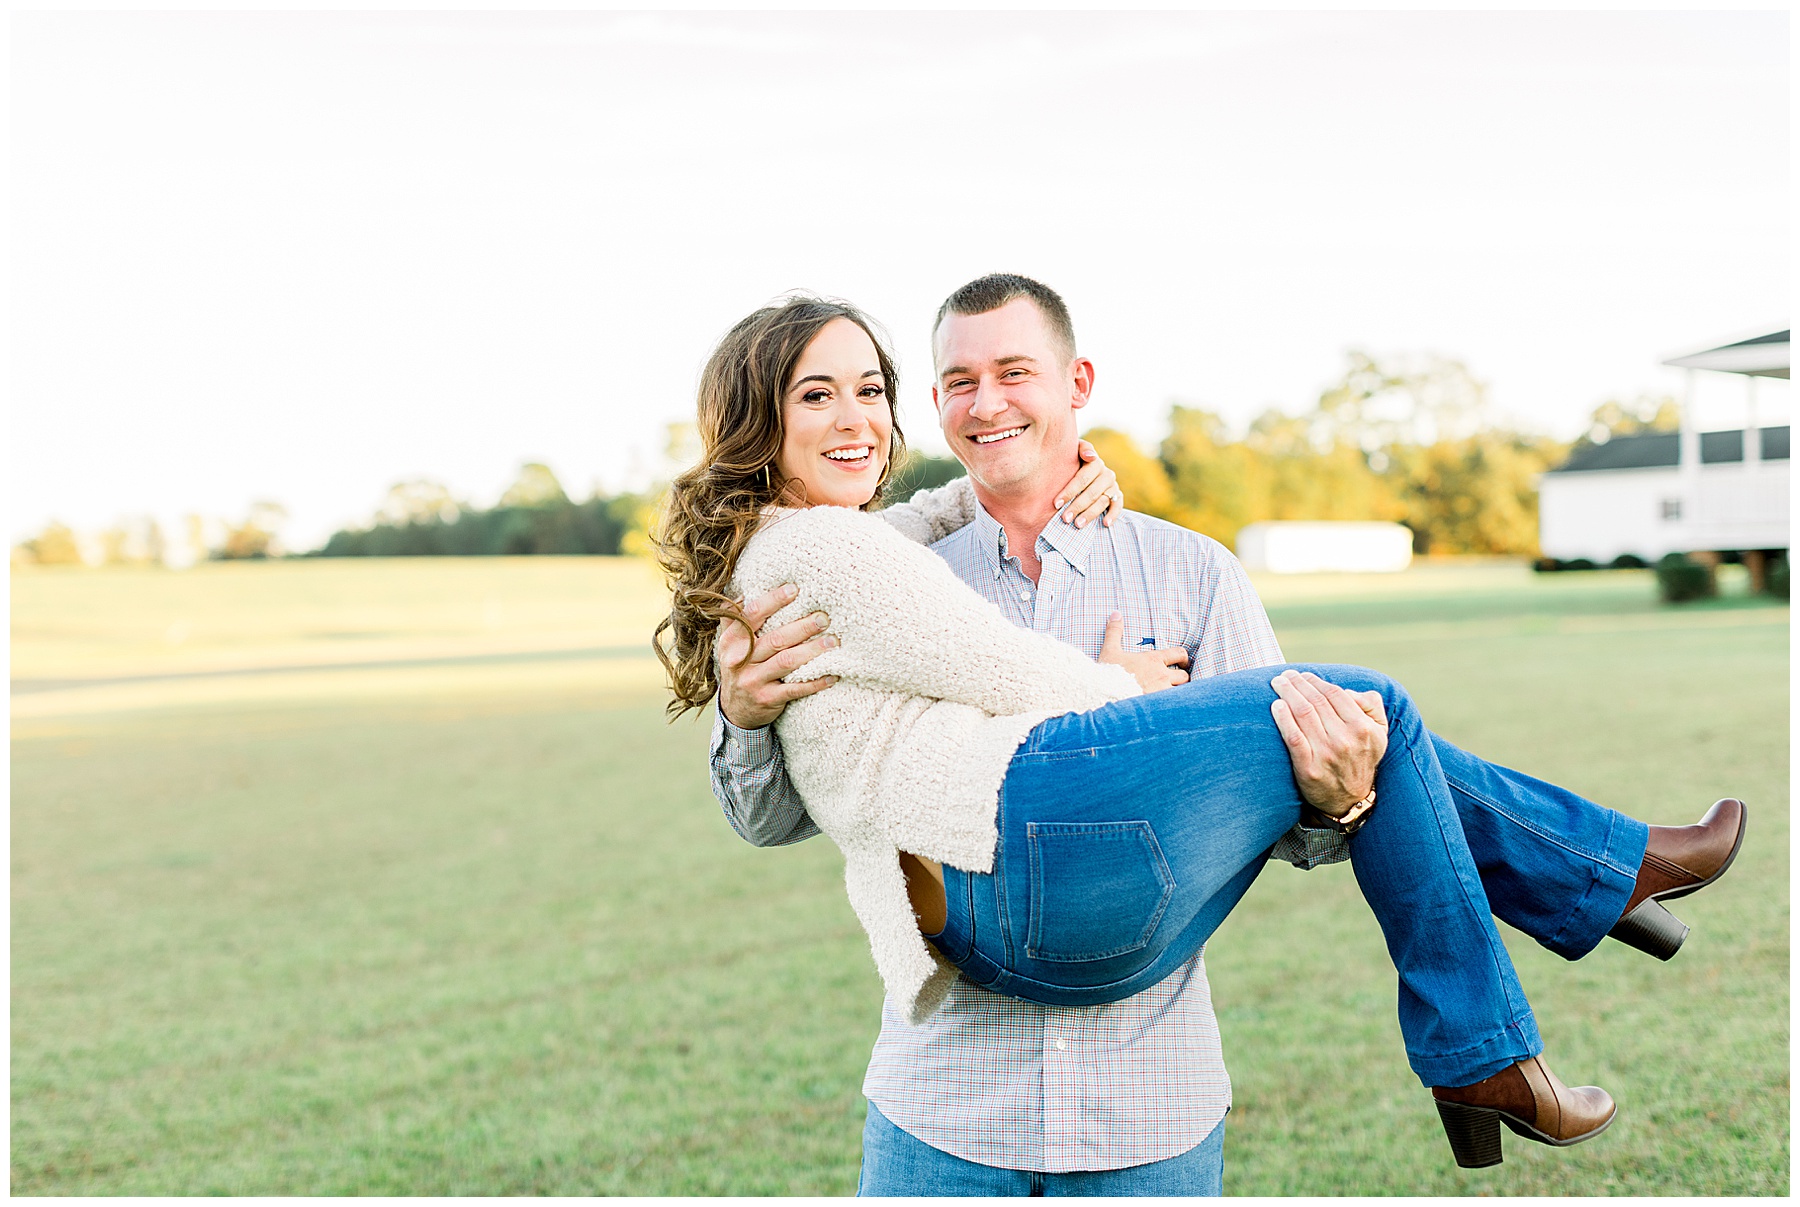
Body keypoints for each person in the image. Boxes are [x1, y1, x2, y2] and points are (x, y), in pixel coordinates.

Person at [661, 281, 1746, 1192]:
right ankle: (1592, 898)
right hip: (946, 1103)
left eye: (1011, 374)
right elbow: (769, 813)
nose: (981, 403)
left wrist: (1349, 797)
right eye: (955, 383)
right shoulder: (881, 568)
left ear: (1077, 387)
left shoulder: (1189, 572)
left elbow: (1292, 823)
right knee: (1372, 698)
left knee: (1364, 727)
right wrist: (746, 715)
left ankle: (1600, 885)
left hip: (1148, 1108)